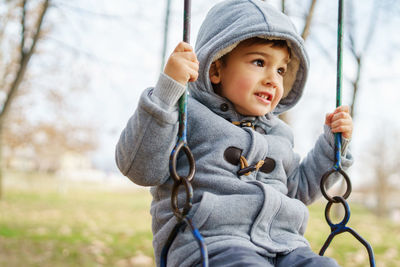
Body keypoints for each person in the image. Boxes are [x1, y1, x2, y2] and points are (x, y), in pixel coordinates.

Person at [115, 0, 353, 266]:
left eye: (281, 70)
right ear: (216, 68)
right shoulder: (185, 113)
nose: (273, 79)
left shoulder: (280, 134)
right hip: (211, 243)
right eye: (259, 62)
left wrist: (332, 147)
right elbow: (139, 168)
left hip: (284, 245)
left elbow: (299, 189)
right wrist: (166, 93)